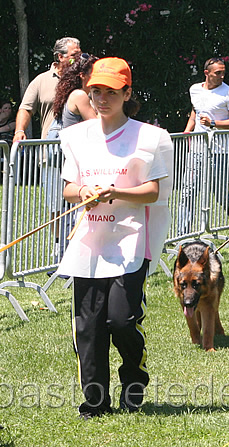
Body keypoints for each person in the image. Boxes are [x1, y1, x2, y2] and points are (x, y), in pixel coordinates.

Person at [57, 57, 174, 419]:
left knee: (121, 321)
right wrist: (85, 191)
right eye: (96, 91)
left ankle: (134, 378)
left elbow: (154, 191)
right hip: (89, 242)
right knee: (88, 328)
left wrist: (116, 193)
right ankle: (95, 403)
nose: (102, 99)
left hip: (131, 241)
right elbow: (68, 190)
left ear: (127, 93)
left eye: (110, 92)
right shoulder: (74, 136)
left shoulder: (151, 137)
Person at [181, 57, 229, 242]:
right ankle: (182, 234)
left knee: (220, 193)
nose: (222, 76)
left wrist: (213, 123)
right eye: (218, 72)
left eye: (223, 72)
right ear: (207, 73)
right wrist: (188, 130)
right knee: (188, 191)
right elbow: (196, 110)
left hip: (220, 151)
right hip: (196, 149)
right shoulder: (194, 89)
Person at [45, 52, 98, 267]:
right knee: (70, 212)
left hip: (75, 159)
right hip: (73, 160)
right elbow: (97, 126)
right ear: (84, 75)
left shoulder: (81, 94)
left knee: (70, 212)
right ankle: (64, 262)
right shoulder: (79, 96)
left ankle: (65, 260)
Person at [12, 37, 81, 142]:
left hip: (78, 151)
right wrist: (19, 131)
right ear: (60, 57)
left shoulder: (84, 79)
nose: (79, 59)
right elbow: (26, 109)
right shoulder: (41, 80)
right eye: (74, 55)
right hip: (50, 152)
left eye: (80, 54)